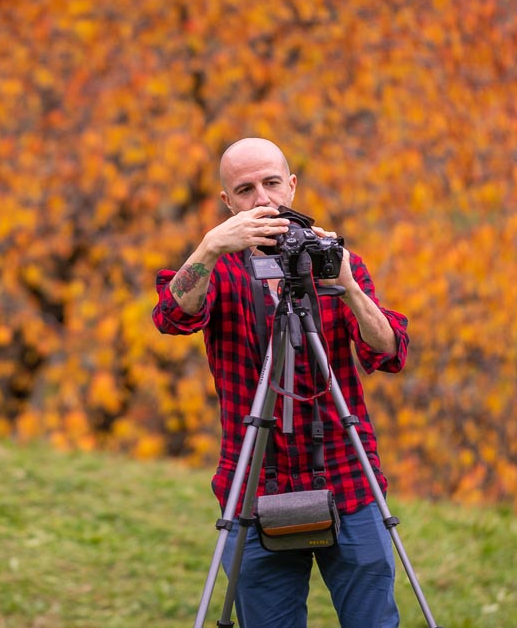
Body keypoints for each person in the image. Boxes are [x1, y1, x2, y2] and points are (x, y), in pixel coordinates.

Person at [152, 137, 409, 628]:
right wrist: (210, 246)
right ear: (227, 202)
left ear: (292, 185)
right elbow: (170, 316)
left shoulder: (336, 263)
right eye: (245, 190)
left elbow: (389, 352)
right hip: (252, 484)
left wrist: (348, 286)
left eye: (272, 183)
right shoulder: (217, 268)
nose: (262, 199)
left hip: (346, 475)